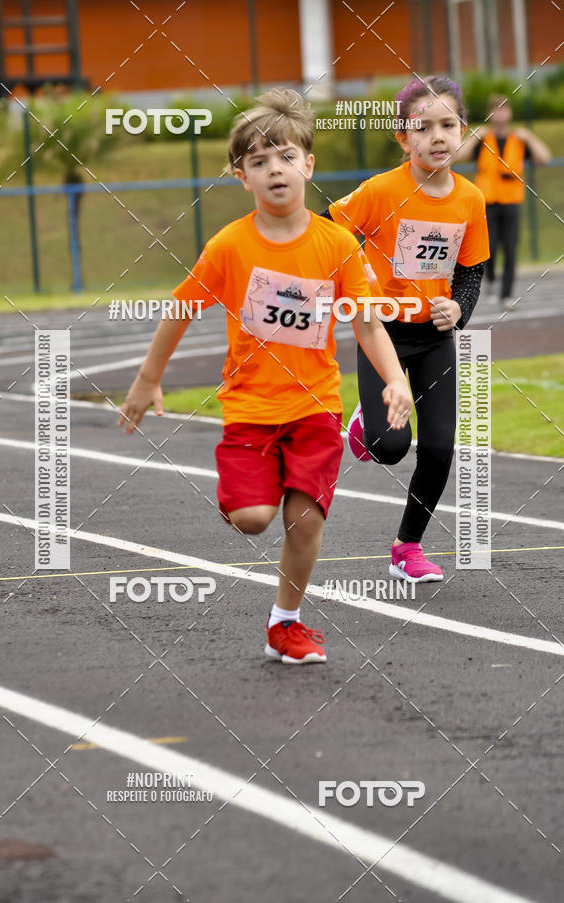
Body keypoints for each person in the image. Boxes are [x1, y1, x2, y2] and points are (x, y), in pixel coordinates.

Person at [117, 88, 411, 664]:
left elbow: (368, 323)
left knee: (305, 521)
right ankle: (248, 488)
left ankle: (285, 622)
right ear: (241, 176)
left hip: (315, 406)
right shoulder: (229, 246)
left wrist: (395, 380)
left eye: (285, 156)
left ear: (308, 165)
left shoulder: (337, 243)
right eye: (259, 161)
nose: (275, 169)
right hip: (251, 408)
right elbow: (180, 308)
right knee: (254, 519)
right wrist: (148, 379)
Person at [323, 76, 490, 583]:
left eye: (449, 125)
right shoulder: (381, 191)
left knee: (439, 448)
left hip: (434, 338)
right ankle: (366, 425)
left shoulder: (471, 199)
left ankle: (407, 547)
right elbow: (326, 232)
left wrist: (459, 309)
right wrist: (356, 275)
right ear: (404, 138)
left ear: (462, 132)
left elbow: (471, 270)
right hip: (383, 335)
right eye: (424, 127)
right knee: (390, 447)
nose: (438, 136)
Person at [458, 95, 551, 311]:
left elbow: (544, 157)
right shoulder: (482, 139)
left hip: (511, 202)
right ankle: (490, 279)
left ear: (510, 113)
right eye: (496, 109)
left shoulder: (519, 140)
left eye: (503, 109)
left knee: (510, 248)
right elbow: (459, 155)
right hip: (487, 202)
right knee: (488, 247)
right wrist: (474, 136)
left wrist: (530, 137)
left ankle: (506, 295)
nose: (500, 114)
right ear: (490, 114)